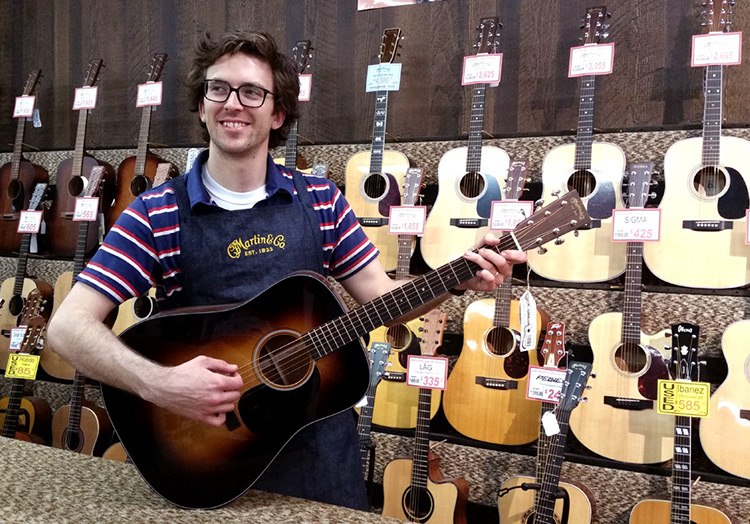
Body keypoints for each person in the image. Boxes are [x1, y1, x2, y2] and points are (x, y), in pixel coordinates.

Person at [47, 30, 526, 510]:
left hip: (317, 456)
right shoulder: (156, 213)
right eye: (219, 88)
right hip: (207, 455)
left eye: (252, 92)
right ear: (201, 105)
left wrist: (457, 275)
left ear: (277, 114)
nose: (233, 103)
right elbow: (68, 328)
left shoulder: (320, 201)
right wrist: (159, 383)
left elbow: (384, 298)